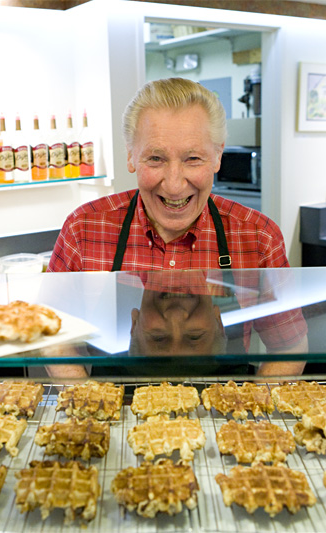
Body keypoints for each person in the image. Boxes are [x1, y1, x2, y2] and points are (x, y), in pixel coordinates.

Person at [49, 77, 307, 376]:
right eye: (156, 158)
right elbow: (57, 341)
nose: (173, 185)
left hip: (225, 413)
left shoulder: (258, 237)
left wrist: (254, 415)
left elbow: (289, 347)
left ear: (217, 156)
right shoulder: (83, 230)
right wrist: (90, 412)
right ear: (131, 155)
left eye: (193, 158)